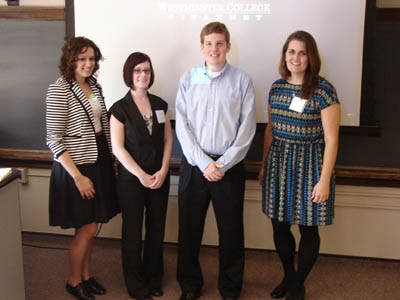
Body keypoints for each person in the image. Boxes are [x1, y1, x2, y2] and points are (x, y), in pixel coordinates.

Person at [175, 22, 256, 300]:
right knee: (189, 230)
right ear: (201, 47)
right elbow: (182, 127)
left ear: (228, 47)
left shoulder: (242, 81)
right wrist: (203, 163)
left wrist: (221, 164)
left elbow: (247, 130)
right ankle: (190, 285)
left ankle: (231, 288)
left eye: (219, 43)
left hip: (228, 169)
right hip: (195, 168)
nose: (214, 49)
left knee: (231, 233)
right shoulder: (187, 79)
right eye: (209, 43)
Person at [259, 31, 341, 300]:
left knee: (308, 227)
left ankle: (298, 284)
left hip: (311, 167)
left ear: (311, 57)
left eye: (302, 52)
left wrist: (324, 179)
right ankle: (289, 276)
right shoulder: (276, 88)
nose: (296, 57)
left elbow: (331, 139)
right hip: (279, 164)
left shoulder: (324, 90)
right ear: (285, 55)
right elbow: (270, 129)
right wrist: (263, 165)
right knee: (279, 226)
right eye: (291, 51)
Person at [46, 37, 119, 300]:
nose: (88, 64)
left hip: (98, 160)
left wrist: (110, 159)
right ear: (71, 60)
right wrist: (77, 177)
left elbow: (101, 124)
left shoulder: (94, 86)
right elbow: (53, 139)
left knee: (92, 225)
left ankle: (86, 277)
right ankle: (73, 280)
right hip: (76, 167)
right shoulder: (59, 90)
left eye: (92, 59)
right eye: (82, 59)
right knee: (86, 227)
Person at [109, 52, 173, 300]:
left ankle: (154, 278)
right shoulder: (119, 108)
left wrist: (164, 169)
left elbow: (168, 139)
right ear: (129, 74)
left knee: (156, 229)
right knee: (133, 232)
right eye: (137, 71)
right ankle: (136, 285)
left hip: (159, 176)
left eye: (146, 70)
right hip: (131, 181)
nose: (142, 75)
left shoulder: (160, 104)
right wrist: (141, 175)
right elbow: (118, 148)